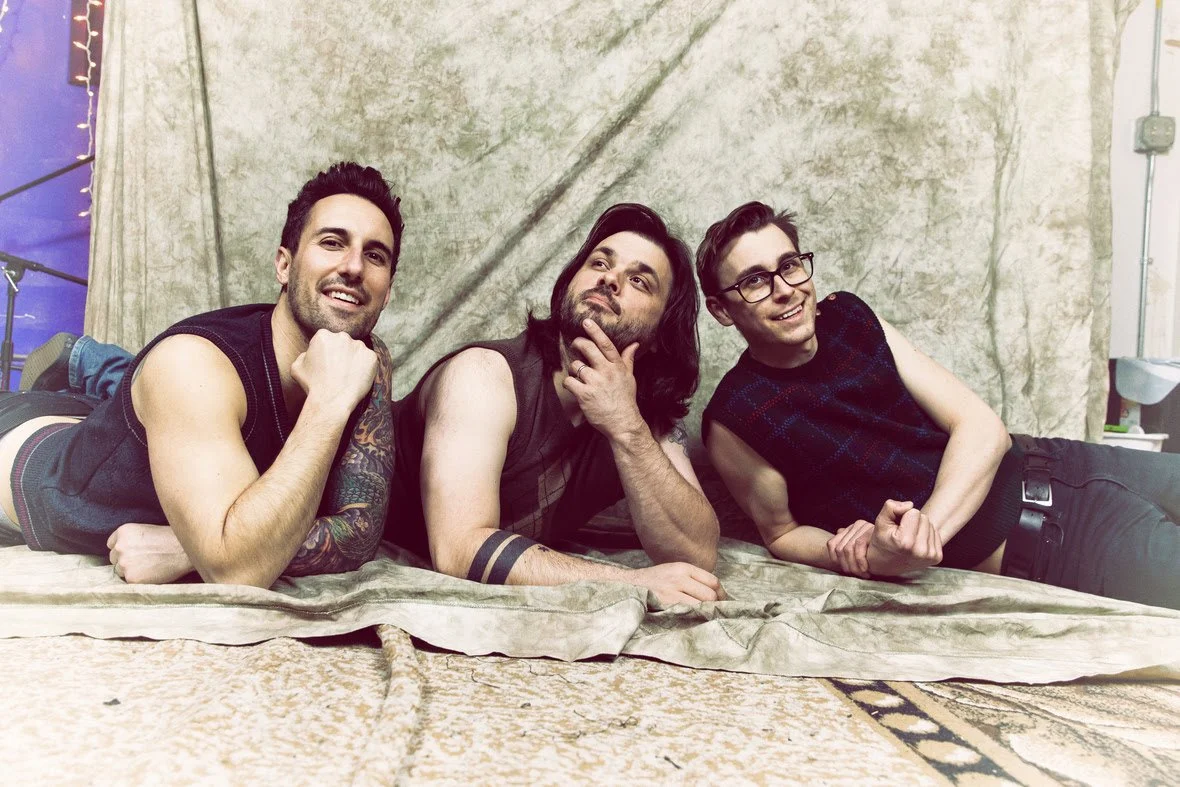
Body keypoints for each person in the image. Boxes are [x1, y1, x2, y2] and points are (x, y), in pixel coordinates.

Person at [695, 201, 1180, 609]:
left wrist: (921, 536)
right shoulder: (735, 417)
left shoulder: (849, 315)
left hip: (1064, 461)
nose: (785, 289)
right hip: (1051, 543)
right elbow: (781, 534)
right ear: (721, 309)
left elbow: (981, 426)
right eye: (754, 281)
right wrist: (864, 556)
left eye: (789, 265)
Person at [1, 161, 403, 588]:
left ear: (387, 292)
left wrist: (183, 549)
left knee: (156, 403)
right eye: (332, 242)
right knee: (173, 384)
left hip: (154, 425)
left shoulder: (363, 355)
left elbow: (359, 530)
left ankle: (92, 365)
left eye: (375, 255)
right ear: (284, 266)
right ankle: (86, 361)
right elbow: (237, 570)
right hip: (28, 452)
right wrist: (327, 404)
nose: (354, 267)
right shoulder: (191, 364)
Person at [385, 203, 723, 605]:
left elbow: (696, 555)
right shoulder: (483, 375)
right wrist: (630, 582)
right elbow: (459, 548)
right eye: (600, 262)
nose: (610, 278)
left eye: (639, 281)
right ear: (568, 286)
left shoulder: (641, 417)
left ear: (660, 333)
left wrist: (626, 426)